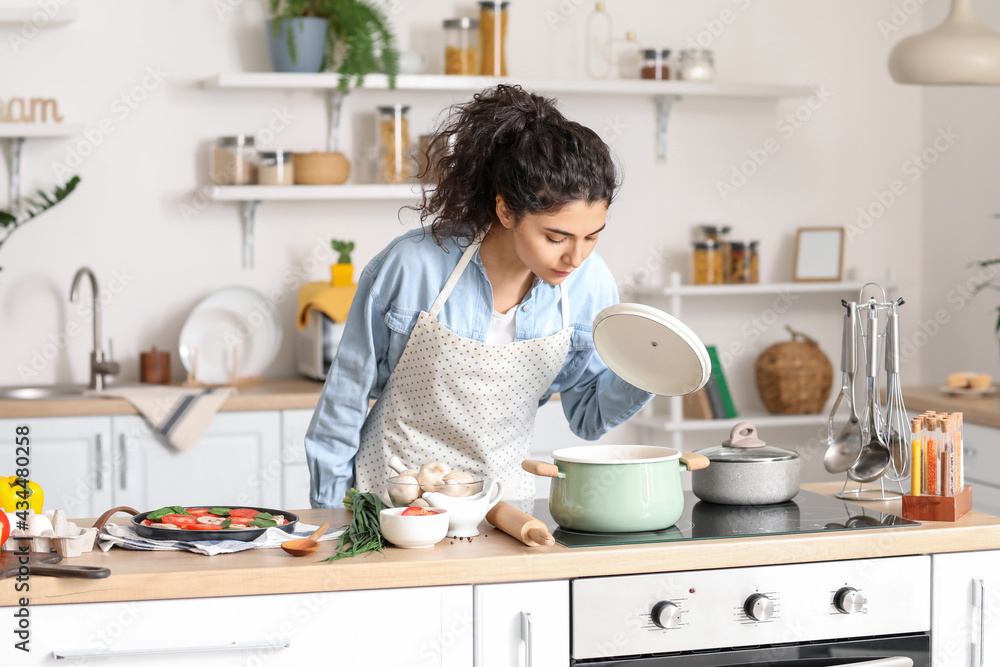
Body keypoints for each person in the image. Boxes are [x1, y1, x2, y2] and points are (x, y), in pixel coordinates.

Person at [305, 84, 653, 508]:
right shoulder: (412, 266)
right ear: (506, 210)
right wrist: (333, 517)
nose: (576, 256)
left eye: (592, 237)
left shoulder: (589, 284)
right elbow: (344, 400)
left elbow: (587, 415)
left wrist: (652, 369)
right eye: (556, 237)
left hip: (504, 513)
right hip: (393, 509)